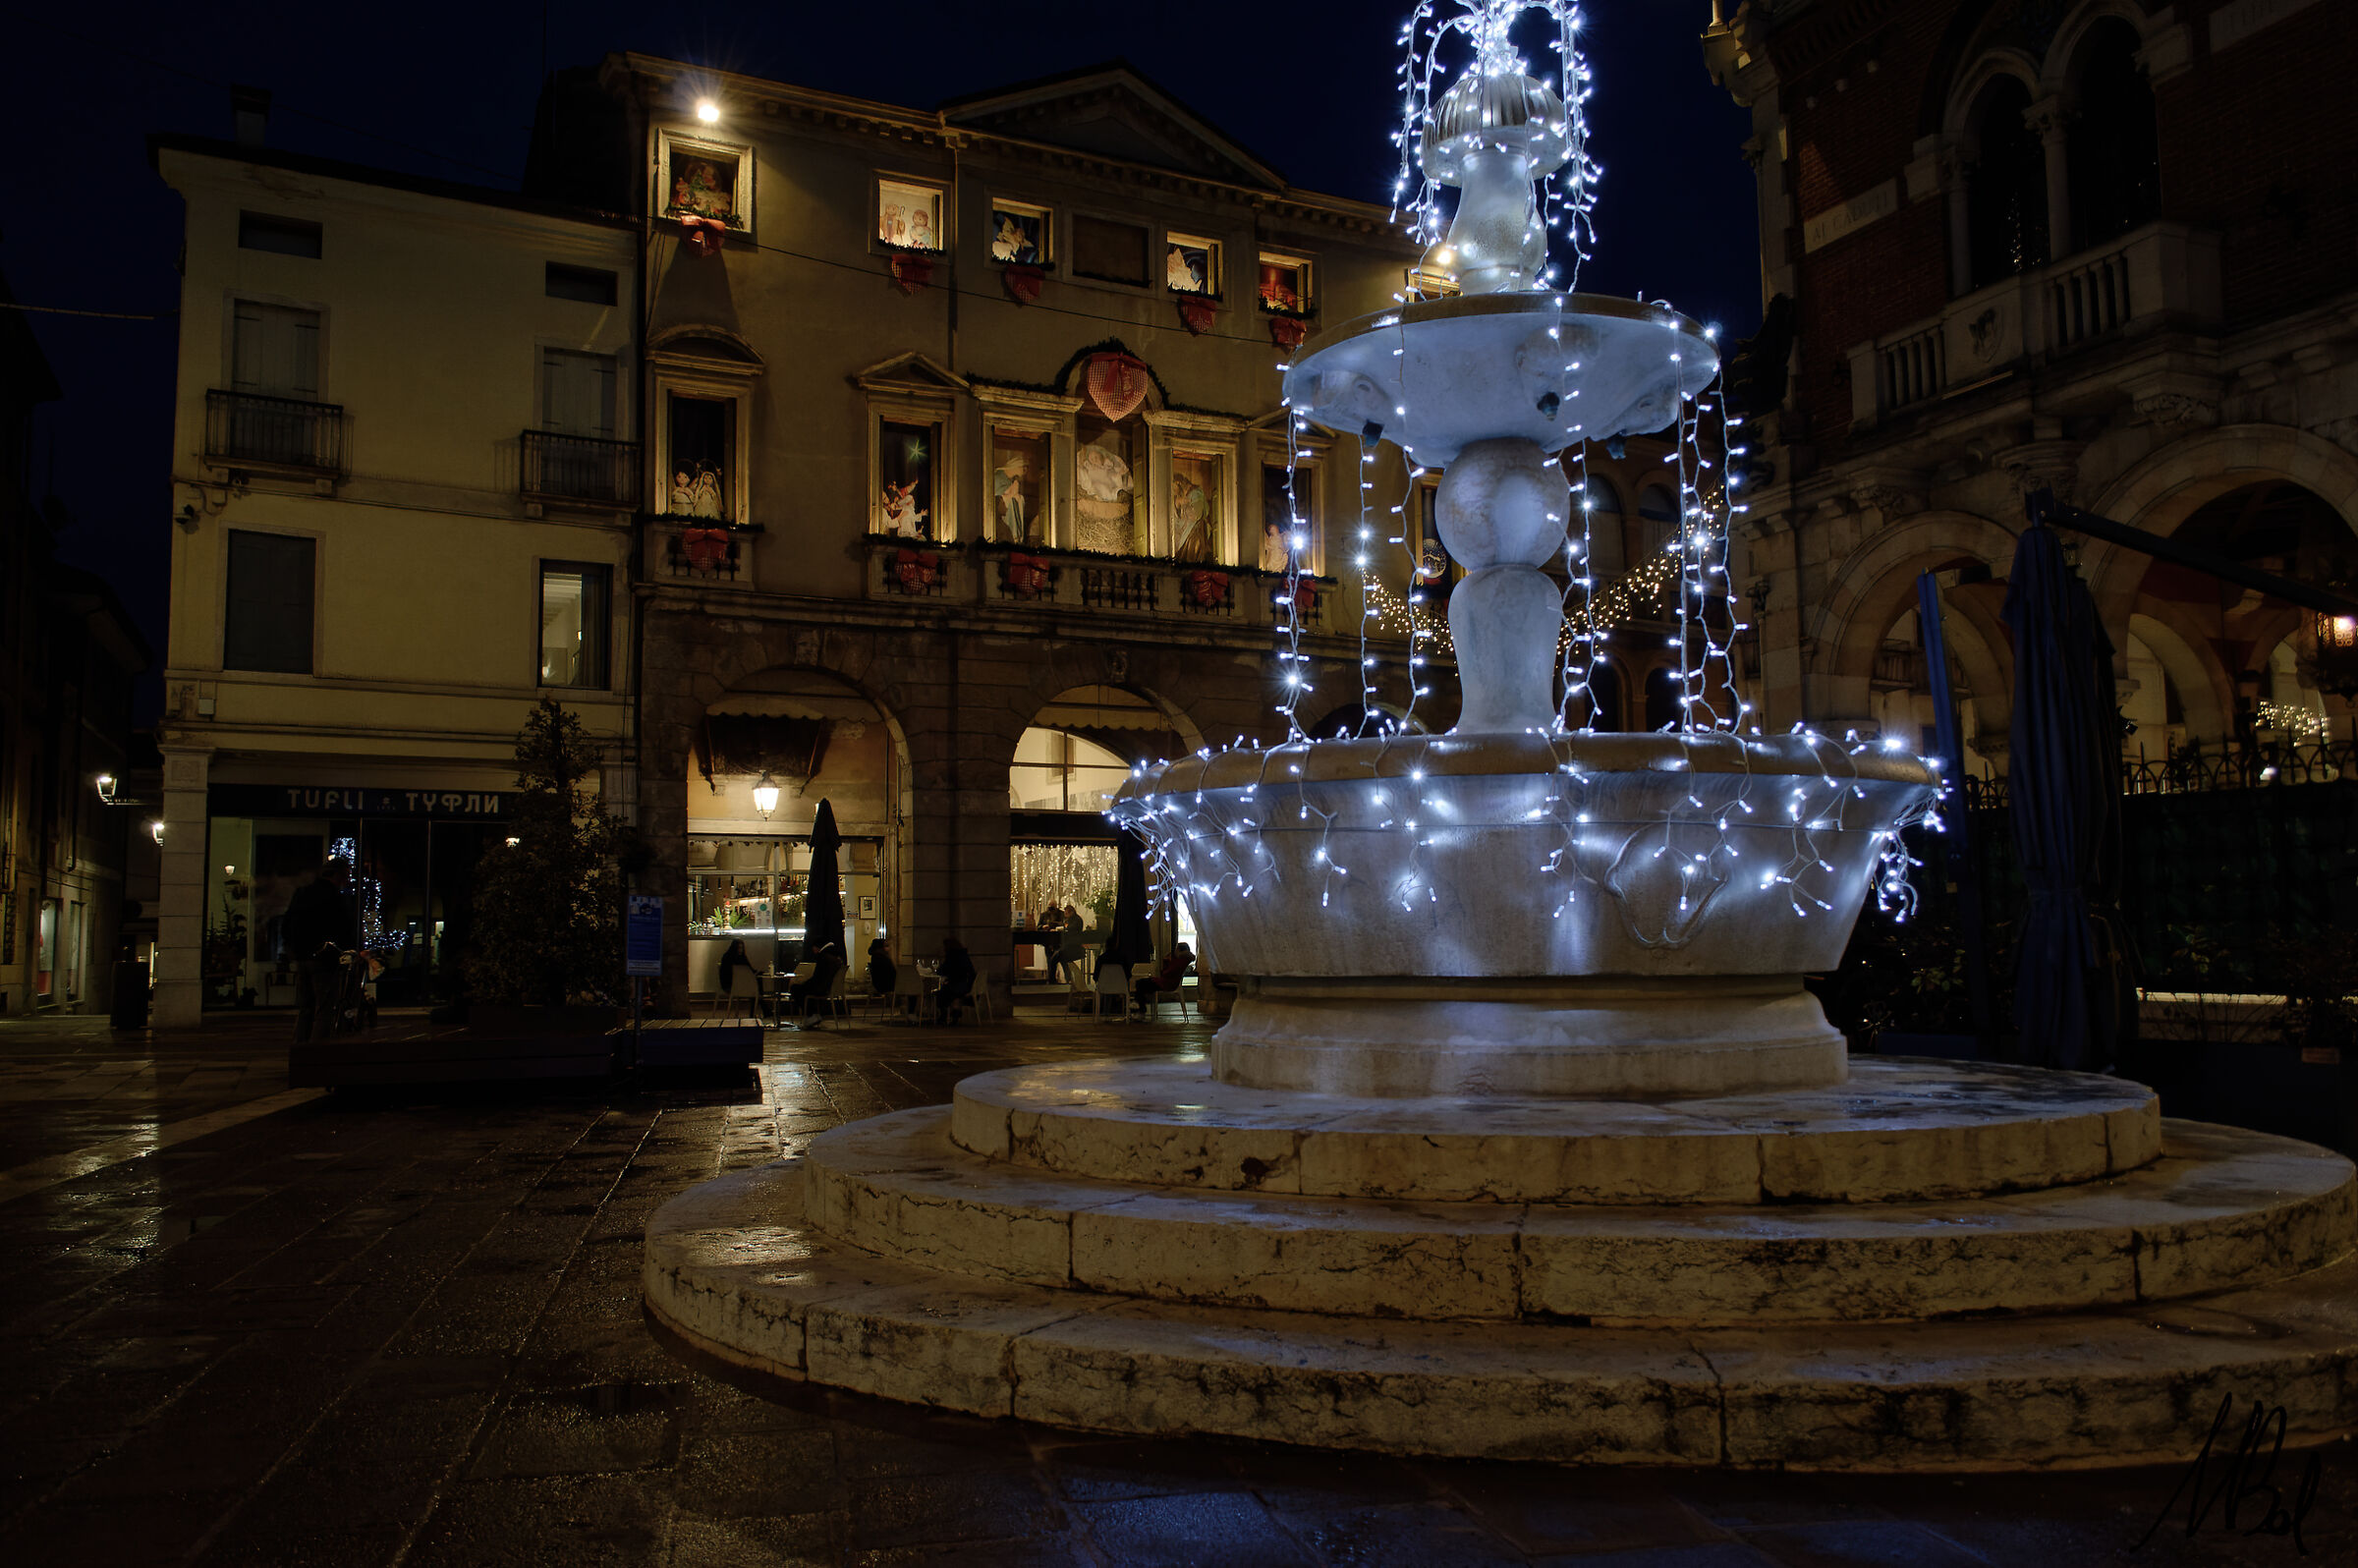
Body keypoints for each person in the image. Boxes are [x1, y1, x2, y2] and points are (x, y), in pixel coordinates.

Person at [283, 857, 358, 1042]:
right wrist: (350, 950)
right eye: (346, 875)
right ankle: (317, 1053)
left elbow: (286, 925)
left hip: (302, 957)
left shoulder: (302, 893)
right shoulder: (334, 897)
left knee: (306, 1008)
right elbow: (344, 929)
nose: (348, 879)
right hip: (324, 959)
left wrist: (294, 949)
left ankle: (300, 1050)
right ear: (338, 875)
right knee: (325, 1009)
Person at [785, 943, 846, 1027]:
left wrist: (804, 983)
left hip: (821, 988)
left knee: (795, 989)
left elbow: (817, 978)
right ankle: (814, 1014)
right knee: (803, 989)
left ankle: (810, 1015)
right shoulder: (835, 958)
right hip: (829, 988)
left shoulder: (823, 957)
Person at [1132, 942, 1197, 1018]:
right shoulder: (1183, 960)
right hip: (1167, 982)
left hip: (1166, 983)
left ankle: (1140, 1008)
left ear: (1179, 950)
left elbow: (1167, 973)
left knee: (1140, 983)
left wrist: (1166, 962)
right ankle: (1139, 1005)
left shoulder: (1179, 961)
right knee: (1142, 984)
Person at [934, 935, 976, 1024]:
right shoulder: (964, 955)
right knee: (952, 993)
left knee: (940, 993)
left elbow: (943, 971)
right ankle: (955, 1014)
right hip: (966, 986)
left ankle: (944, 1015)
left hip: (956, 985)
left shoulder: (951, 957)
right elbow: (972, 972)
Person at [717, 938, 763, 1014]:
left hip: (730, 985)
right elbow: (749, 970)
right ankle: (760, 1008)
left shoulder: (727, 956)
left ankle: (760, 1008)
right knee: (757, 983)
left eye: (741, 948)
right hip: (732, 986)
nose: (740, 950)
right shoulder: (739, 958)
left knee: (755, 984)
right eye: (739, 948)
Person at [1055, 906, 1087, 985]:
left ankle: (1069, 978)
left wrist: (1064, 926)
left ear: (1071, 912)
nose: (1065, 915)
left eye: (1066, 913)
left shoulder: (1077, 920)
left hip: (1074, 947)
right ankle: (1069, 978)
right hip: (1069, 946)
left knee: (1061, 957)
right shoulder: (1070, 920)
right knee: (1062, 958)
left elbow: (1069, 928)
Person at [867, 935, 898, 999]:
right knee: (911, 988)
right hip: (886, 985)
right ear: (881, 947)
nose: (889, 948)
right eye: (886, 946)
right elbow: (892, 972)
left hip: (879, 984)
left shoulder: (875, 957)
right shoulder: (882, 958)